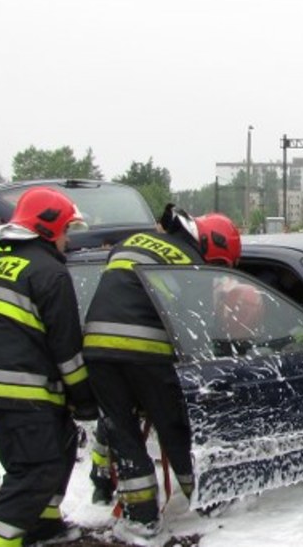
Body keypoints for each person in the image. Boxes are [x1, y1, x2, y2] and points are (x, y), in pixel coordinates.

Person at [82, 204, 241, 536]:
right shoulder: (190, 262)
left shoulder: (135, 241)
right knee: (175, 427)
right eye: (219, 264)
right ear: (212, 244)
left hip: (97, 347)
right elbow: (196, 329)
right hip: (147, 350)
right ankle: (207, 498)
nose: (214, 270)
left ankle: (142, 518)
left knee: (122, 432)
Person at [0, 187, 98, 547]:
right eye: (66, 231)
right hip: (21, 389)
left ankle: (43, 526)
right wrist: (84, 399)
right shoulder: (50, 273)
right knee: (36, 470)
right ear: (50, 229)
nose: (68, 241)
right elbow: (66, 350)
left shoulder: (5, 264)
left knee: (60, 448)